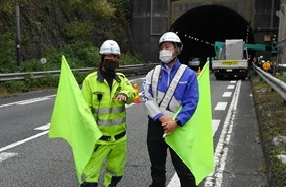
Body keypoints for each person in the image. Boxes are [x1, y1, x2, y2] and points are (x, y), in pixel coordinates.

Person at [141, 32, 199, 187]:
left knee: (184, 168)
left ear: (177, 49)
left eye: (167, 47)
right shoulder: (152, 74)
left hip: (177, 127)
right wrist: (161, 117)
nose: (163, 51)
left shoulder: (189, 75)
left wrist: (177, 122)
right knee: (157, 167)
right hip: (155, 125)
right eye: (161, 48)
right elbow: (146, 98)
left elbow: (191, 102)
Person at [80, 39, 136, 187]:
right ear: (102, 57)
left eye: (115, 57)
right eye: (109, 56)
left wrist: (125, 93)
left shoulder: (122, 80)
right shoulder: (90, 81)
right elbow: (83, 109)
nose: (112, 59)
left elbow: (131, 93)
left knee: (115, 175)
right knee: (89, 177)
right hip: (99, 139)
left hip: (119, 139)